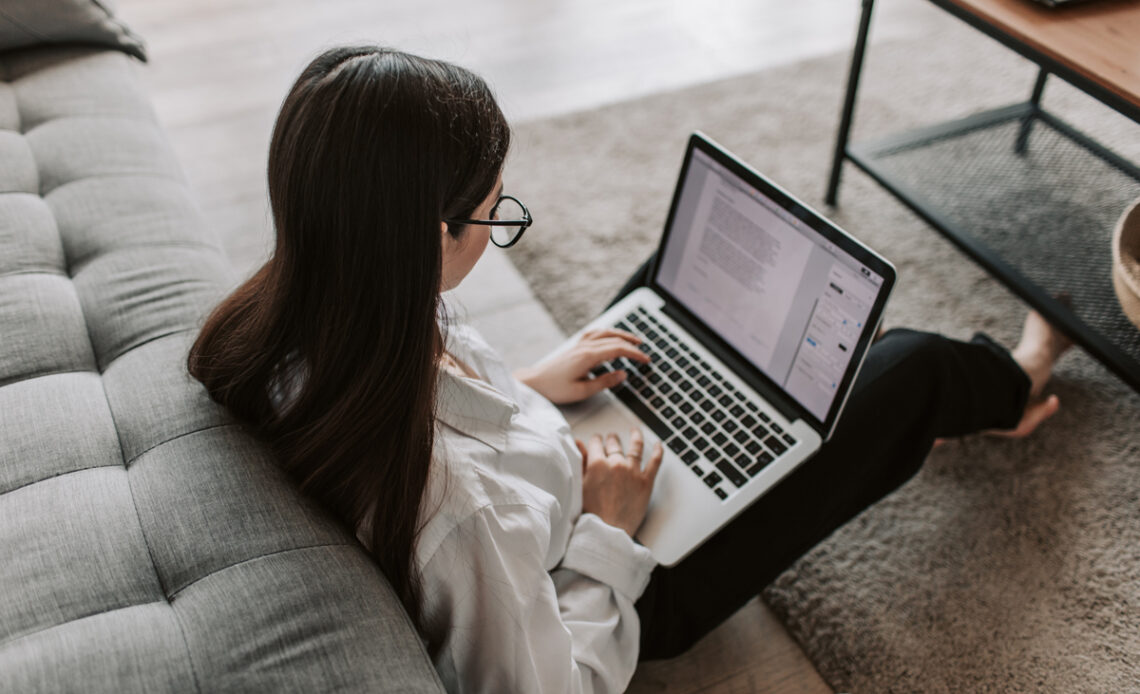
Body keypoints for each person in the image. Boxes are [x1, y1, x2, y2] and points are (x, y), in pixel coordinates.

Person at [188, 46, 1071, 693]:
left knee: (668, 298)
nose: (499, 229)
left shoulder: (308, 314)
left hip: (553, 472)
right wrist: (610, 529)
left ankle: (704, 371)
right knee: (905, 369)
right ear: (430, 236)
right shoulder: (461, 516)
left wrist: (529, 387)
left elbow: (432, 422)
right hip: (624, 576)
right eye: (497, 219)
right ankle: (1017, 382)